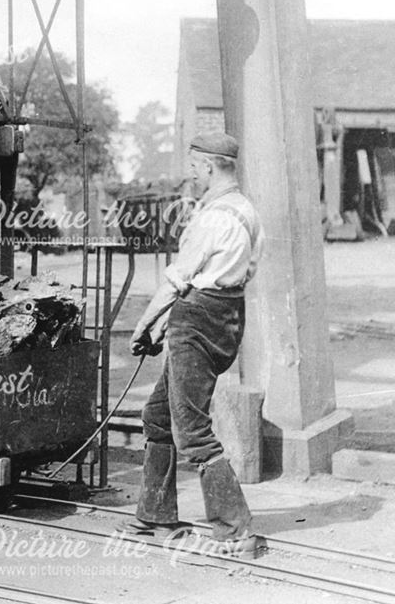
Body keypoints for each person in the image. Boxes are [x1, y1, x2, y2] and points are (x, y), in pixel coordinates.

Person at [120, 131, 265, 557]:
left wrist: (146, 325)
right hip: (225, 316)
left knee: (194, 432)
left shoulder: (211, 218)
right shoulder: (248, 212)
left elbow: (178, 280)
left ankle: (236, 529)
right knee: (159, 414)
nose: (192, 175)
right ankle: (155, 513)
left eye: (194, 167)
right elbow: (242, 272)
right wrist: (176, 322)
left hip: (196, 318)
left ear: (207, 166)